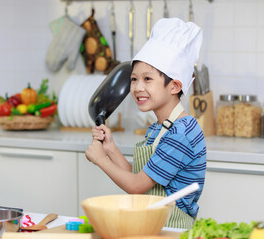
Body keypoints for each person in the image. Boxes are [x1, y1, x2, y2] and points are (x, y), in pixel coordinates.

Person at [85, 18, 206, 229]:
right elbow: (141, 177)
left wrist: (100, 160)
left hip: (172, 228)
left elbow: (137, 187)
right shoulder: (160, 128)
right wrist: (111, 149)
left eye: (147, 79)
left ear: (175, 86)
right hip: (153, 223)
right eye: (133, 79)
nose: (137, 87)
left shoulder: (181, 133)